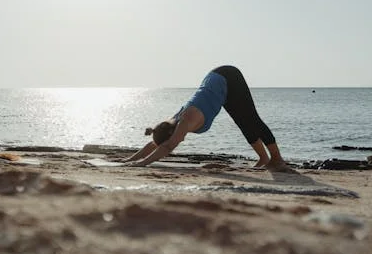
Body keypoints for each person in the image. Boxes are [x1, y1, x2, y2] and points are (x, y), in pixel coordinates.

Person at [122, 65, 296, 173]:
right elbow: (156, 143)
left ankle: (277, 159)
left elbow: (167, 146)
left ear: (171, 132)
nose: (176, 143)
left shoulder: (185, 120)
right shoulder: (170, 123)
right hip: (215, 82)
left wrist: (143, 164)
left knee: (251, 119)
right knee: (242, 122)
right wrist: (129, 160)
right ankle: (264, 159)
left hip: (228, 77)